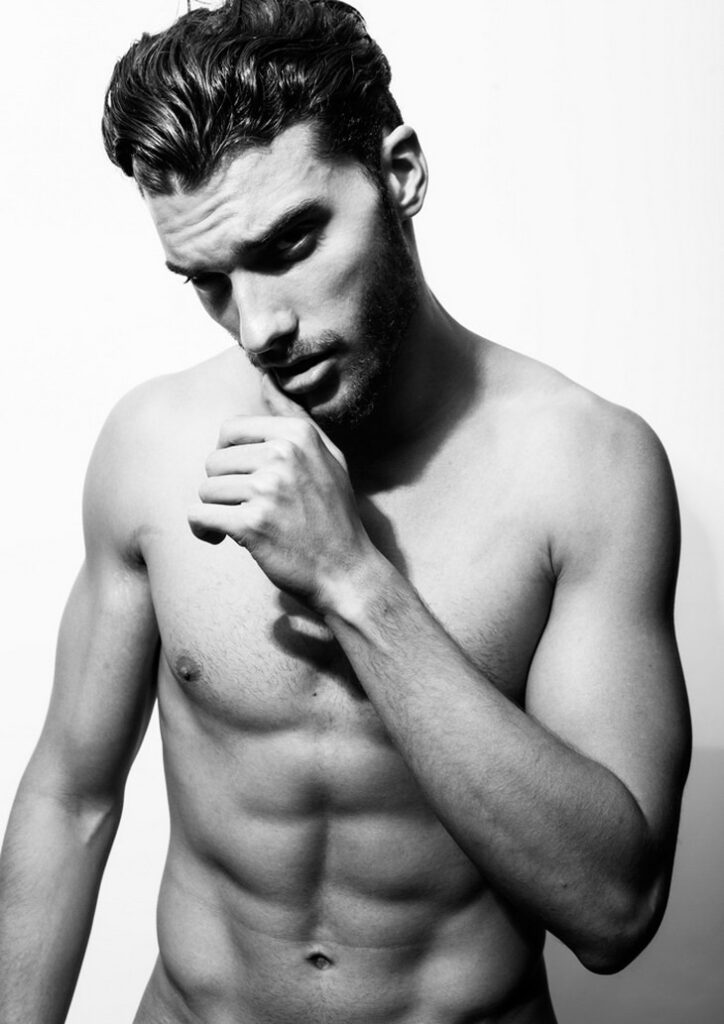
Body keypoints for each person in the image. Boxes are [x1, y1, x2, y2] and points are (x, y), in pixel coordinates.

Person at [0, 1, 691, 1022]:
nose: (259, 329)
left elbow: (614, 909)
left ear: (399, 173)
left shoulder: (586, 468)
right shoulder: (153, 445)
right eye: (209, 282)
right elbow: (70, 799)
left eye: (289, 244)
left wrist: (353, 580)